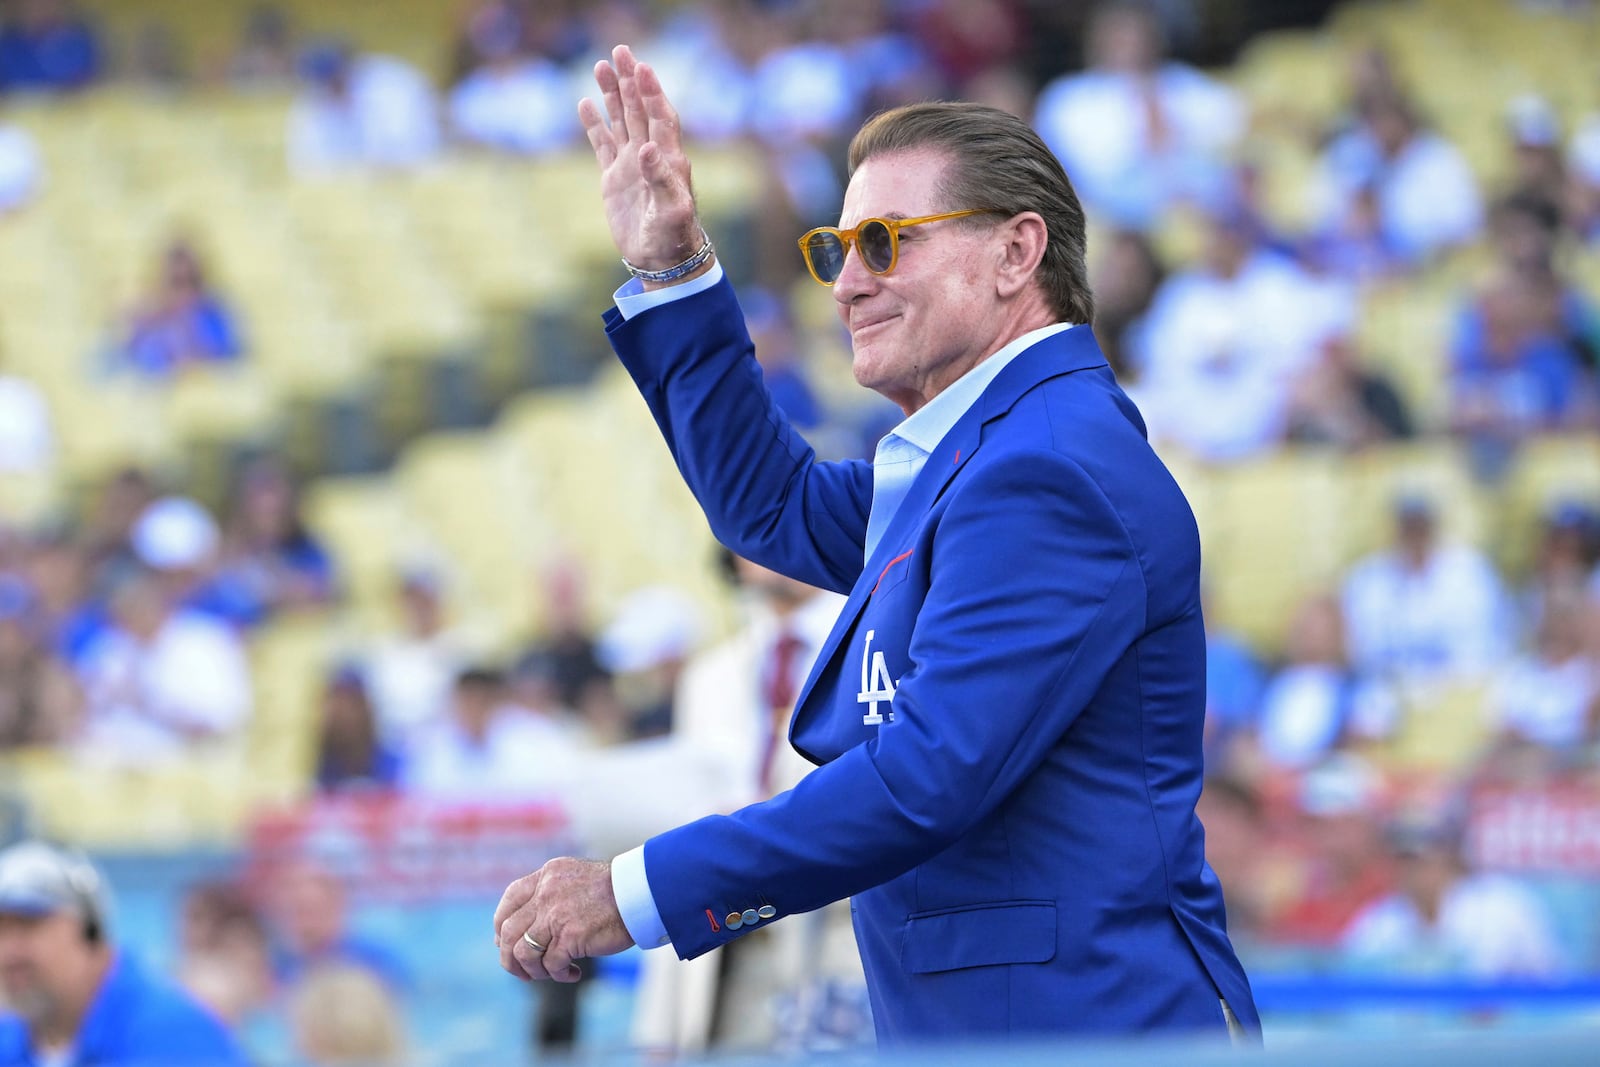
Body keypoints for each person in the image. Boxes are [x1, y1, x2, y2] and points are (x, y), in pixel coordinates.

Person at [493, 45, 1259, 1046]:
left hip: (1088, 1028)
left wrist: (635, 891)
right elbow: (771, 509)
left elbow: (924, 772)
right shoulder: (991, 456)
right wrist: (670, 268)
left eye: (886, 241)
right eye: (837, 249)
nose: (846, 283)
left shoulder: (1047, 468)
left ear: (1016, 252)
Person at [0, 840, 247, 1065]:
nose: (9, 951)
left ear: (90, 932)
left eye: (27, 926)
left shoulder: (171, 1037)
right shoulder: (10, 1040)